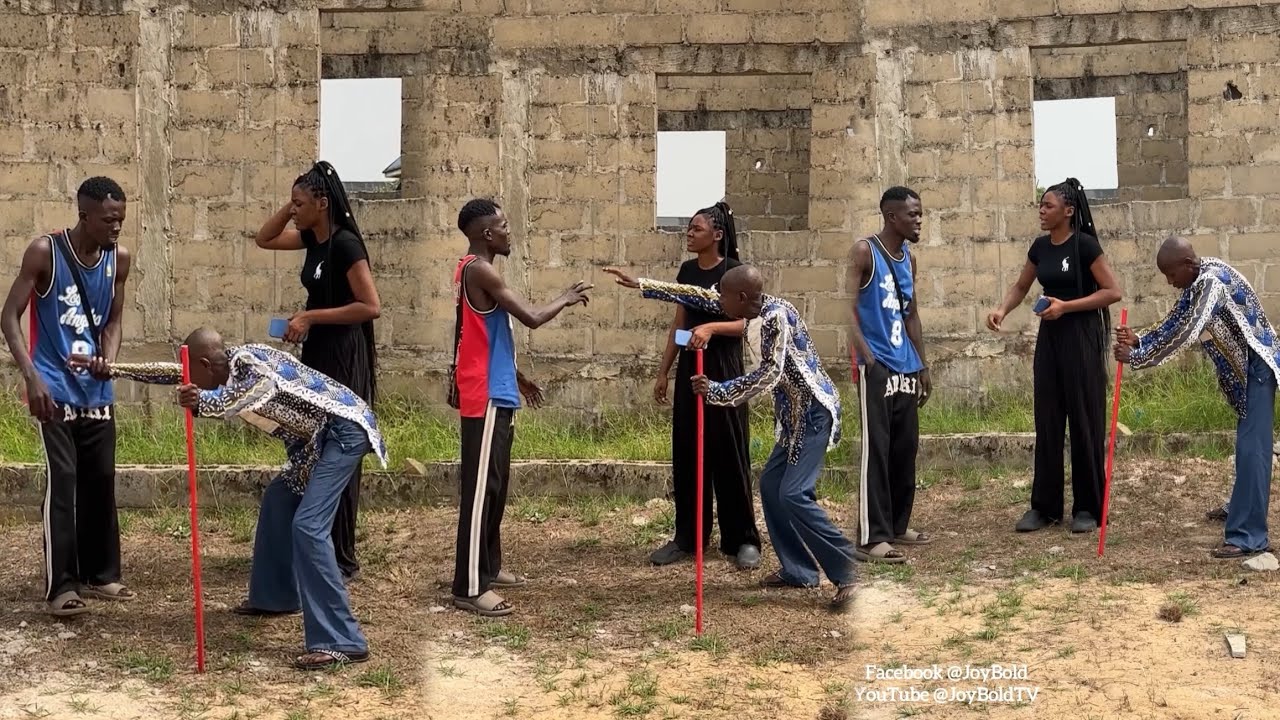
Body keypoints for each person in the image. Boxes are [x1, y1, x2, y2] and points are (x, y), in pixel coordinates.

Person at [80, 328, 388, 669]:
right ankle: (275, 597)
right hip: (314, 445)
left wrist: (204, 403)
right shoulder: (223, 367)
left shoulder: (252, 367)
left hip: (343, 433)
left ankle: (344, 640)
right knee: (279, 499)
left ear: (205, 364)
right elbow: (172, 372)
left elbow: (253, 393)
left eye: (191, 374)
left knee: (309, 526)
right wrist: (112, 369)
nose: (187, 381)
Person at [604, 264, 856, 611]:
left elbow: (770, 373)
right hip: (795, 416)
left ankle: (849, 574)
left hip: (813, 414)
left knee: (794, 494)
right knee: (770, 487)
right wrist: (643, 284)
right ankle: (799, 570)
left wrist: (718, 391)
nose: (716, 300)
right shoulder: (751, 309)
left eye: (722, 294)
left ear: (740, 297)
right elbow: (698, 296)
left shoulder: (776, 318)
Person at [450, 199, 592, 617]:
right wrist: (564, 298)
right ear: (486, 234)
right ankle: (469, 586)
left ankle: (488, 567)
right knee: (480, 491)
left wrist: (518, 376)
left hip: (498, 388)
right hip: (484, 394)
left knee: (495, 485)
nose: (509, 232)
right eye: (503, 226)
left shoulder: (474, 269)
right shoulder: (480, 269)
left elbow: (480, 332)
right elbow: (530, 316)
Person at [0, 177, 134, 617]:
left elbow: (113, 323)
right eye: (109, 219)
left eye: (121, 219)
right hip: (53, 390)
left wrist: (107, 360)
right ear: (85, 216)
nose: (117, 227)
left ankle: (102, 573)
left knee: (101, 480)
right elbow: (9, 317)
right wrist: (32, 376)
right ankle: (62, 585)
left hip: (96, 390)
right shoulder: (45, 252)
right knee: (64, 481)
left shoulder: (120, 259)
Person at [1114, 237, 1279, 560]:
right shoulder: (1201, 276)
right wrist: (1140, 340)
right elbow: (1177, 317)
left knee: (1253, 448)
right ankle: (1241, 507)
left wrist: (1137, 358)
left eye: (1171, 275)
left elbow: (1185, 333)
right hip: (1249, 367)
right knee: (1248, 445)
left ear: (1187, 265)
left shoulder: (1211, 285)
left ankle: (1249, 537)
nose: (1169, 282)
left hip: (1258, 367)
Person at [254, 161, 380, 583]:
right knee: (315, 443)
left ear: (323, 204)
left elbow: (369, 306)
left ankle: (342, 557)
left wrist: (310, 316)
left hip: (344, 354)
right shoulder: (312, 238)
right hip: (319, 353)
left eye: (301, 203)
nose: (294, 210)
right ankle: (317, 540)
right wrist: (289, 208)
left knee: (339, 449)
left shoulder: (346, 245)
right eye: (292, 203)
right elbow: (263, 238)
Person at [986, 179, 1122, 534]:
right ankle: (1044, 508)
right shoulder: (1040, 247)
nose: (1041, 212)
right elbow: (1021, 286)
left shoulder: (1085, 246)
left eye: (1048, 206)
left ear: (1069, 211)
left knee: (1084, 421)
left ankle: (1089, 509)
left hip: (1081, 338)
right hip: (1050, 339)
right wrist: (1002, 310)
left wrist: (1067, 307)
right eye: (1040, 206)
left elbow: (1112, 291)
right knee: (1047, 420)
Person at [648, 201, 762, 570]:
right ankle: (689, 536)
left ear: (717, 234)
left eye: (696, 228)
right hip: (689, 372)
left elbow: (749, 323)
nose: (689, 233)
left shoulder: (734, 272)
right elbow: (679, 323)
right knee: (688, 452)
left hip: (724, 371)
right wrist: (665, 370)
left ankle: (742, 539)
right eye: (689, 228)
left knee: (729, 452)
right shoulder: (686, 271)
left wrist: (711, 328)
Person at [848, 186, 932, 564]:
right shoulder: (865, 252)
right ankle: (871, 537)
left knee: (904, 449)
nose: (919, 221)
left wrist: (922, 364)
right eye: (913, 214)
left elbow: (911, 314)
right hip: (877, 366)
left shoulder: (908, 259)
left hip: (906, 365)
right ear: (891, 216)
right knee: (876, 452)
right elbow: (846, 308)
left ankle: (898, 525)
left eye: (920, 214)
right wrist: (868, 359)